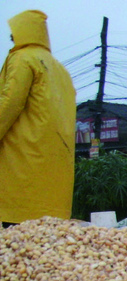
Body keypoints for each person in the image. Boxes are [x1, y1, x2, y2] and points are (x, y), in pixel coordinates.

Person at [0, 10, 76, 227]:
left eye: (14, 35)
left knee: (19, 245)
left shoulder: (22, 59)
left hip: (23, 162)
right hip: (56, 169)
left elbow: (9, 103)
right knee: (48, 243)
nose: (12, 40)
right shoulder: (60, 69)